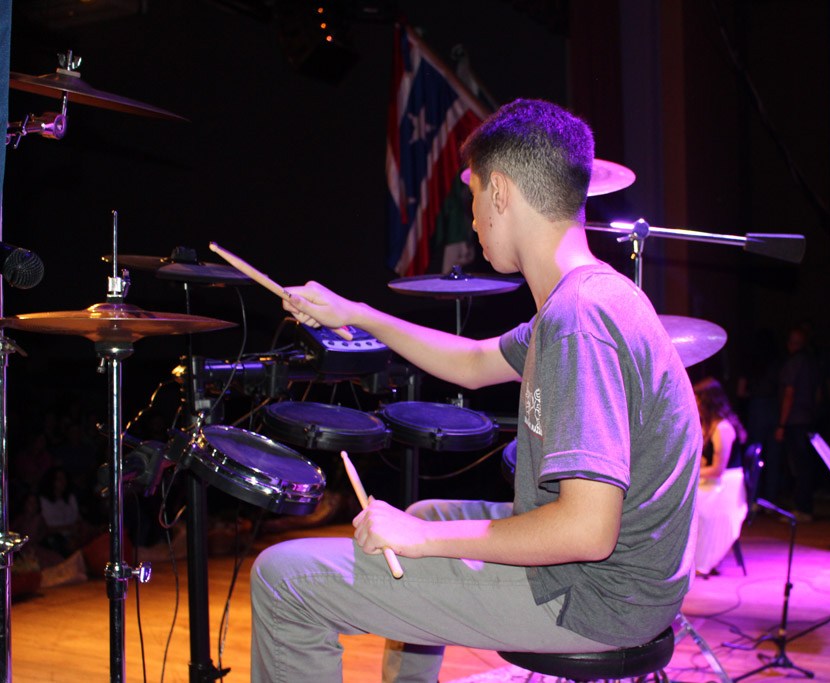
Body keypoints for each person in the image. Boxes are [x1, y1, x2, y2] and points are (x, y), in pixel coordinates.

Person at [248, 98, 702, 682]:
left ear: (500, 192)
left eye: (473, 198)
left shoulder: (579, 321)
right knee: (426, 512)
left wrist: (424, 540)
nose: (472, 220)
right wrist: (356, 313)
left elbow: (587, 531)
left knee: (284, 577)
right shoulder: (589, 298)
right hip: (625, 587)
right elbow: (471, 362)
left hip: (593, 599)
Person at [692, 377, 748, 576]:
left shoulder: (722, 428)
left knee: (691, 504)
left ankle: (701, 561)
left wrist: (692, 473)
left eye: (698, 400)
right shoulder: (708, 425)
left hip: (727, 484)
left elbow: (717, 470)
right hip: (714, 481)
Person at [773, 325, 822, 521]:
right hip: (808, 418)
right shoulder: (811, 363)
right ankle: (804, 507)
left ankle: (803, 509)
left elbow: (789, 394)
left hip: (795, 421)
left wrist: (781, 424)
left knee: (800, 467)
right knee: (805, 465)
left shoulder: (794, 364)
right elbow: (818, 393)